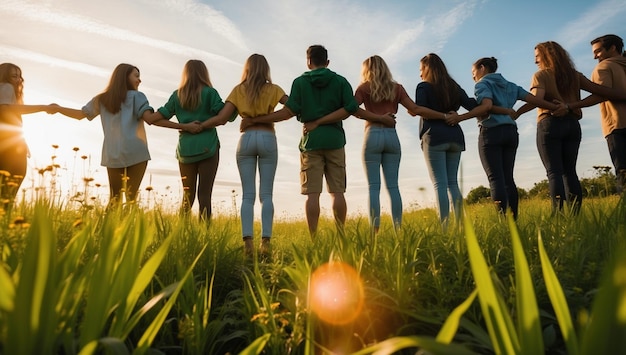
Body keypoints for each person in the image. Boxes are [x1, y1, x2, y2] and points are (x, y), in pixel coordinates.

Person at [249, 45, 373, 237]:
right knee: (337, 192)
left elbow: (287, 112)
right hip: (335, 141)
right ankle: (341, 236)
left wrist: (257, 119)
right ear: (327, 62)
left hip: (311, 143)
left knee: (312, 194)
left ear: (308, 61)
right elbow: (350, 109)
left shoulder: (300, 83)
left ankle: (313, 238)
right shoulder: (340, 81)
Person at [52, 63, 196, 206]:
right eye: (136, 76)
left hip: (112, 152)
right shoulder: (137, 97)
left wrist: (58, 109)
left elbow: (80, 114)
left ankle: (107, 229)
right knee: (131, 199)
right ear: (124, 77)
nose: (139, 80)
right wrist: (184, 126)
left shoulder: (102, 99)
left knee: (114, 199)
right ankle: (132, 228)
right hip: (136, 152)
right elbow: (150, 119)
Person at [447, 57, 567, 219]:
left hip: (491, 132)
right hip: (511, 132)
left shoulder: (482, 84)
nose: (473, 76)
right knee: (508, 178)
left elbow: (486, 107)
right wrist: (557, 107)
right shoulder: (510, 85)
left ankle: (503, 222)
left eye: (473, 72)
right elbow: (535, 100)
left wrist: (460, 118)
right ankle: (513, 221)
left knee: (495, 178)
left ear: (482, 68)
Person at [513, 41, 626, 213]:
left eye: (537, 56)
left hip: (549, 124)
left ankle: (558, 217)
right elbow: (599, 93)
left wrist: (517, 112)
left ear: (546, 55)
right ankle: (575, 216)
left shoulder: (541, 75)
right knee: (570, 172)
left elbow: (536, 98)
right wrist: (570, 106)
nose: (536, 61)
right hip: (573, 125)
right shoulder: (574, 75)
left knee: (554, 172)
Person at [198, 54, 288, 255]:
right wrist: (263, 119)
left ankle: (248, 244)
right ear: (266, 69)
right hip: (267, 138)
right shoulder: (274, 89)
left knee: (247, 196)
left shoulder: (239, 90)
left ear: (246, 69)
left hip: (246, 140)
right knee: (266, 195)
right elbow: (290, 110)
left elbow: (222, 118)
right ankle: (265, 243)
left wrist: (201, 125)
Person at [354, 55, 454, 233]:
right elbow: (415, 109)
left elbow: (353, 109)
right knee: (393, 187)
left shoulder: (364, 88)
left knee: (373, 188)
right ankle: (398, 232)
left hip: (372, 134)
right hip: (392, 137)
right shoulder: (396, 88)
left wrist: (377, 117)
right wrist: (443, 115)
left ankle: (374, 234)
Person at [143, 59, 231, 220]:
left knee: (187, 195)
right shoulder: (210, 93)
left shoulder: (177, 96)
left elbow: (154, 119)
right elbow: (224, 117)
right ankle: (205, 235)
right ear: (204, 73)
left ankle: (181, 233)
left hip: (186, 150)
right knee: (205, 194)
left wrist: (184, 126)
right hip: (208, 147)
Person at [415, 53, 477, 224]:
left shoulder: (423, 87)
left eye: (421, 69)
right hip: (455, 137)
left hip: (434, 137)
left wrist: (442, 116)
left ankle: (444, 227)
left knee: (439, 184)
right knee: (453, 183)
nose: (420, 74)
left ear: (427, 68)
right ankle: (460, 226)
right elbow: (473, 106)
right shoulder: (454, 87)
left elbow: (419, 109)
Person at [574, 34, 626, 191]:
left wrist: (572, 105)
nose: (595, 56)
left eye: (598, 51)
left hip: (618, 125)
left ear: (612, 48)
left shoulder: (604, 67)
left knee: (623, 171)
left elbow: (601, 94)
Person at [0, 63, 56, 210]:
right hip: (7, 146)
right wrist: (42, 107)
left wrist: (22, 142)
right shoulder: (6, 87)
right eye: (14, 76)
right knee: (10, 184)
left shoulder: (10, 92)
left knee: (9, 184)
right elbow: (6, 110)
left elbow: (11, 121)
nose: (18, 80)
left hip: (11, 142)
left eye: (20, 76)